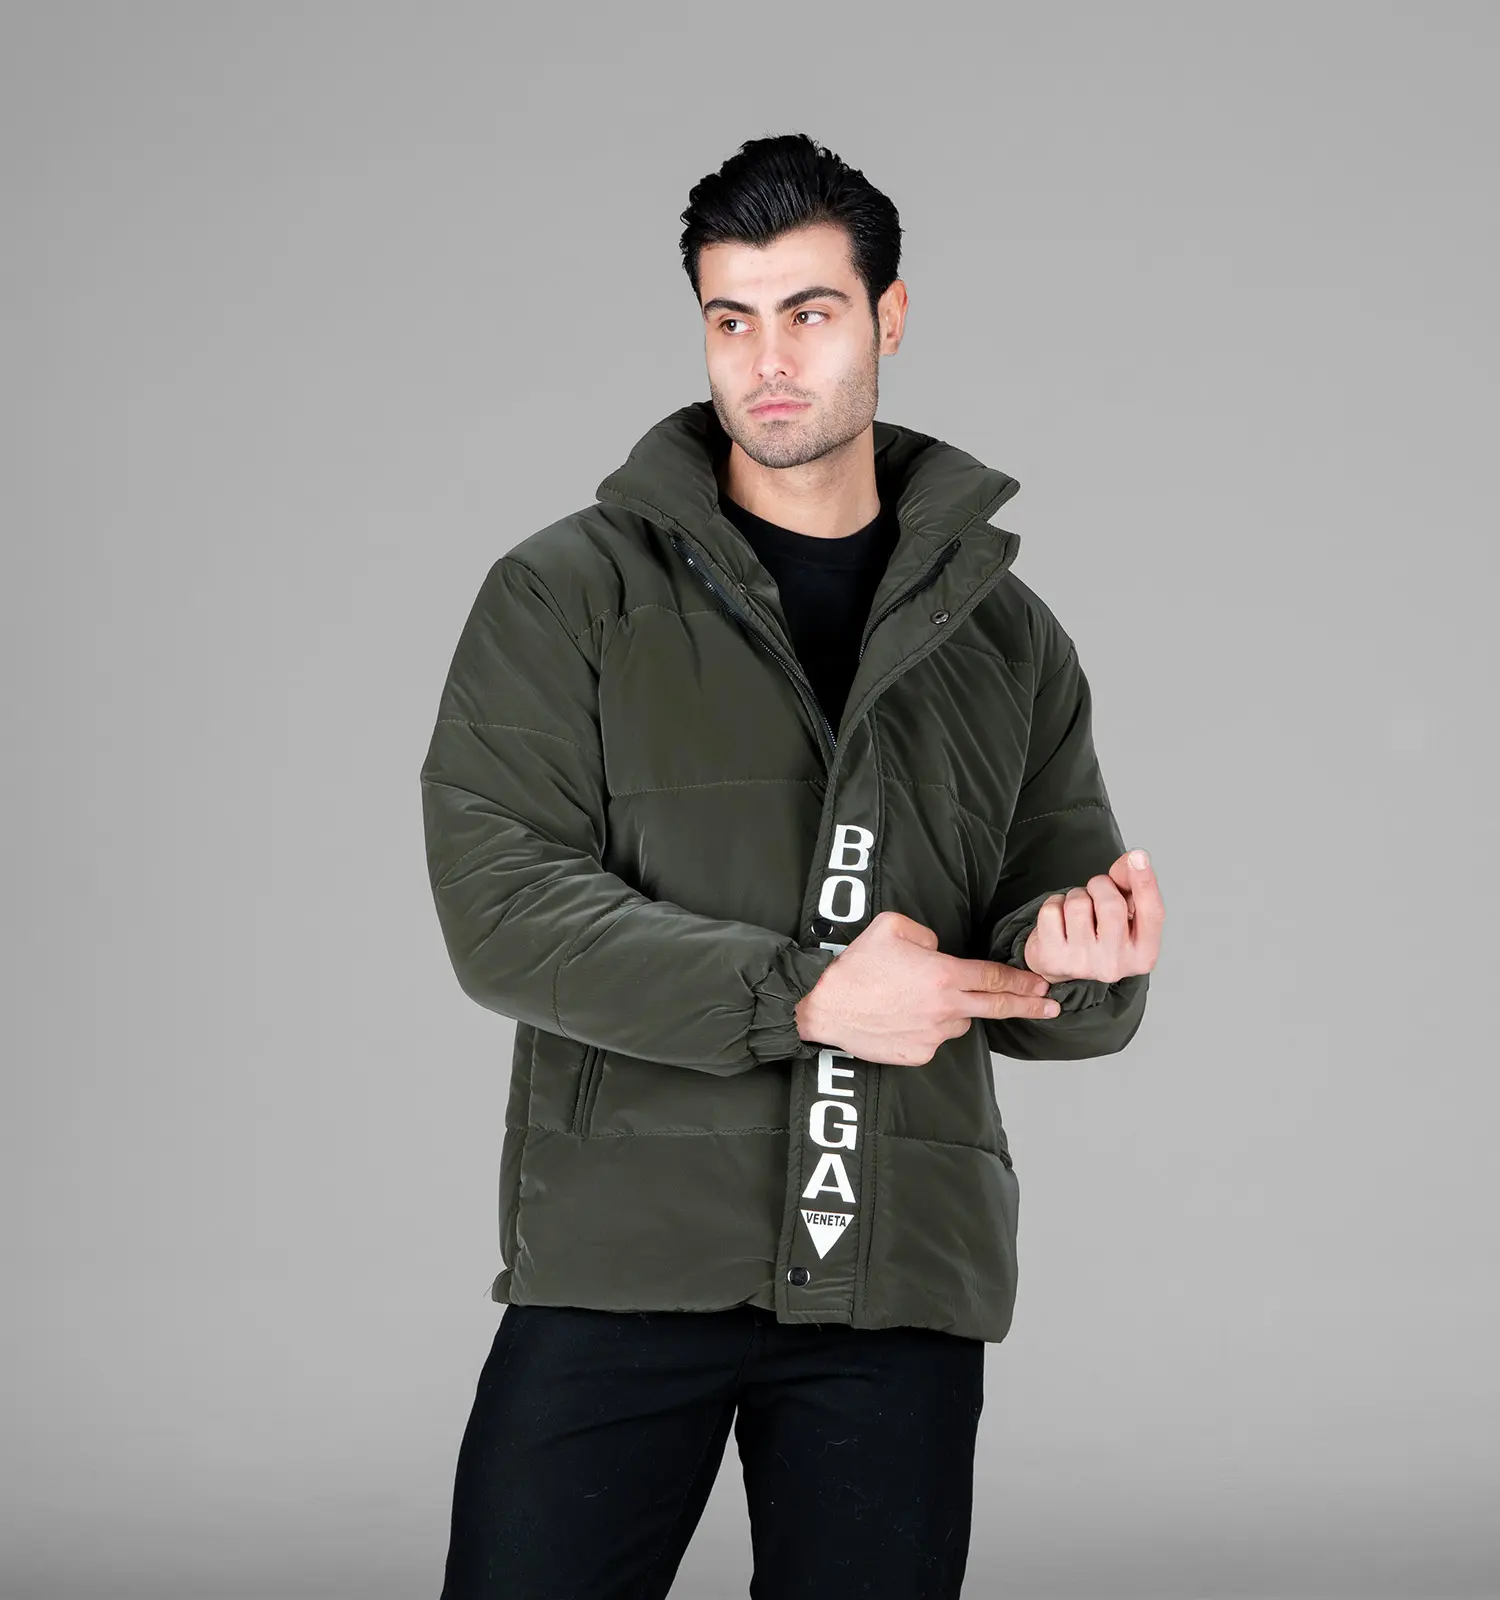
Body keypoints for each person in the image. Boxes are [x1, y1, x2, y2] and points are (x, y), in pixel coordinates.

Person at [420, 131, 1164, 1600]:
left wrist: (1076, 965)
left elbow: (1051, 945)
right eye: (731, 318)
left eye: (809, 312)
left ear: (889, 316)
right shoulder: (566, 594)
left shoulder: (1008, 639)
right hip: (627, 1254)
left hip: (900, 1278)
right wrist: (809, 997)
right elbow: (503, 911)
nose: (767, 360)